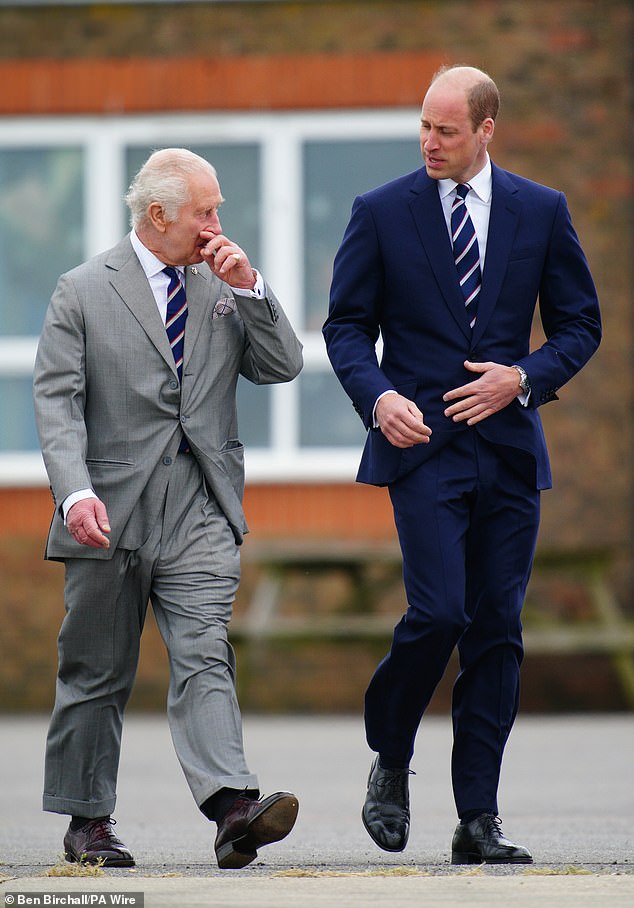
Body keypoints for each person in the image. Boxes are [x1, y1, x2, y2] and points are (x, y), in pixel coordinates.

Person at [323, 65, 601, 864]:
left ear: (486, 129)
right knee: (440, 613)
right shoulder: (381, 213)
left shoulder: (541, 211)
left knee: (497, 633)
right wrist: (378, 399)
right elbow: (345, 328)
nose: (429, 142)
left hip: (510, 453)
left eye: (446, 128)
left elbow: (581, 324)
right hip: (422, 449)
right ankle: (391, 756)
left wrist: (527, 377)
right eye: (423, 125)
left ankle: (478, 816)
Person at [33, 148, 303, 870]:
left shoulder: (222, 285)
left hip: (200, 508)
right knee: (96, 670)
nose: (219, 225)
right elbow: (56, 402)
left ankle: (232, 808)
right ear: (158, 215)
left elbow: (283, 366)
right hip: (108, 509)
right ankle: (87, 821)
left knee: (204, 654)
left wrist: (250, 288)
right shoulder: (82, 290)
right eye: (205, 212)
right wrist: (76, 490)